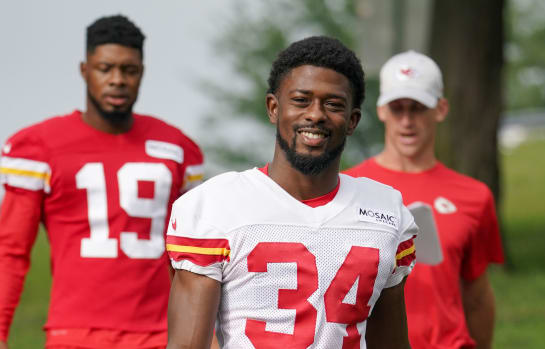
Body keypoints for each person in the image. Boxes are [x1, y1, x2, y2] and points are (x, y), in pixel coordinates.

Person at [166, 36, 417, 349]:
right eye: (301, 100)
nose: (315, 114)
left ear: (352, 121)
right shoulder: (214, 206)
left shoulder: (387, 211)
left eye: (333, 104)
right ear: (274, 108)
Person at [0, 15, 204, 348]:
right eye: (105, 68)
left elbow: (194, 256)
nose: (117, 80)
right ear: (85, 70)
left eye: (129, 70)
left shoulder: (178, 148)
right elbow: (10, 250)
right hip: (76, 334)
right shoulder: (38, 145)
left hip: (161, 334)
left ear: (142, 73)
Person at [345, 50, 505, 349]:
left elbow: (477, 296)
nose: (407, 120)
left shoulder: (474, 196)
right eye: (397, 108)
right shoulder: (348, 189)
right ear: (381, 110)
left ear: (441, 109)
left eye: (418, 108)